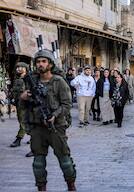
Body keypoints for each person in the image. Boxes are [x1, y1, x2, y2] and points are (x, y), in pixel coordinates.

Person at [20, 49, 76, 191]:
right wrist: (23, 97)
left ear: (50, 64)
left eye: (44, 61)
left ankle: (71, 186)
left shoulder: (59, 82)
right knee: (38, 163)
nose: (40, 64)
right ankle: (41, 188)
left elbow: (67, 104)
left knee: (65, 161)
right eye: (38, 62)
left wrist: (55, 115)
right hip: (37, 128)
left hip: (56, 127)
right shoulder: (31, 82)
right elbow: (24, 105)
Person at [9, 62, 34, 157]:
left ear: (26, 68)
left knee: (26, 122)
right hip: (19, 104)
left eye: (21, 67)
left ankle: (21, 139)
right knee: (22, 121)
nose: (18, 69)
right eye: (17, 67)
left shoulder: (29, 79)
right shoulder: (17, 79)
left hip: (27, 105)